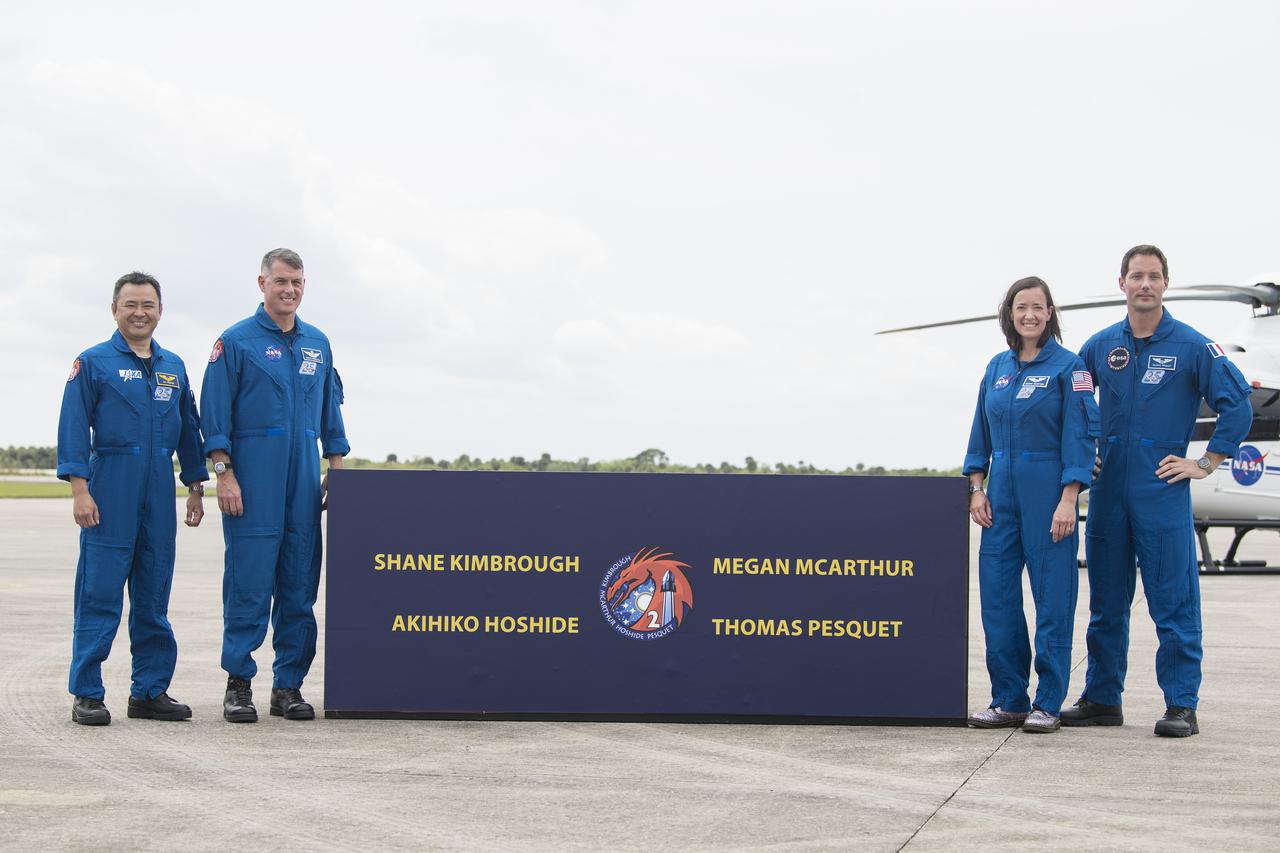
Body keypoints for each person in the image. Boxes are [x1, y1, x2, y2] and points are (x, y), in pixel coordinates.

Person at [1068, 245, 1251, 737]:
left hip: (1162, 491)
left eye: (1153, 276)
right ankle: (1103, 698)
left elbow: (1238, 405)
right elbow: (1073, 403)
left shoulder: (1193, 346)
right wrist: (1085, 455)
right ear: (1121, 283)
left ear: (1165, 283)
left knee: (1173, 602)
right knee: (1106, 603)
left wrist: (1205, 462)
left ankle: (1181, 705)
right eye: (1136, 276)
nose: (1144, 284)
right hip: (1107, 495)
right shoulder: (1100, 345)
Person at [201, 248, 349, 723]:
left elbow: (330, 410)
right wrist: (223, 473)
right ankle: (238, 685)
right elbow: (215, 413)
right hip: (253, 482)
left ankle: (288, 686)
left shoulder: (318, 344)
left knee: (299, 585)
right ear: (262, 283)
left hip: (304, 483)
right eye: (281, 281)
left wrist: (336, 463)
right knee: (248, 584)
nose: (290, 290)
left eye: (298, 283)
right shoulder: (235, 342)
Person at [56, 271, 207, 726]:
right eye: (131, 305)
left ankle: (149, 691)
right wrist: (80, 489)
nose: (140, 313)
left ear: (160, 311)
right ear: (114, 310)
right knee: (100, 593)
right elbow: (72, 426)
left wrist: (196, 485)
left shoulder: (173, 366)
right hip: (110, 485)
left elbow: (189, 430)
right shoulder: (93, 362)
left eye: (148, 305)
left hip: (160, 486)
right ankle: (87, 691)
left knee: (153, 594)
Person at [964, 276, 1099, 733]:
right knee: (997, 600)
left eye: (1038, 307)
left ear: (1049, 313)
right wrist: (977, 488)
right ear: (1010, 313)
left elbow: (1080, 435)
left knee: (1053, 601)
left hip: (1049, 494)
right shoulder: (996, 367)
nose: (1030, 315)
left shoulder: (1070, 367)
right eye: (1022, 307)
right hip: (999, 495)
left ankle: (1047, 703)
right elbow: (979, 431)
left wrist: (1068, 498)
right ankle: (1009, 699)